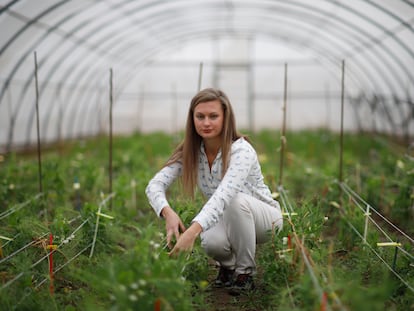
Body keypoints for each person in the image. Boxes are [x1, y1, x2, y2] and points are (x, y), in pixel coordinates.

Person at [145, 88, 283, 295]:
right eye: (200, 117)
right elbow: (154, 185)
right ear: (192, 119)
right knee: (211, 242)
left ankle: (245, 273)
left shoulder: (241, 151)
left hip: (266, 221)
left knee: (235, 201)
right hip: (228, 217)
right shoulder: (191, 152)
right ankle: (228, 267)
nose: (206, 123)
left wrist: (190, 233)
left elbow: (224, 196)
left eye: (213, 116)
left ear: (226, 118)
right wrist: (167, 212)